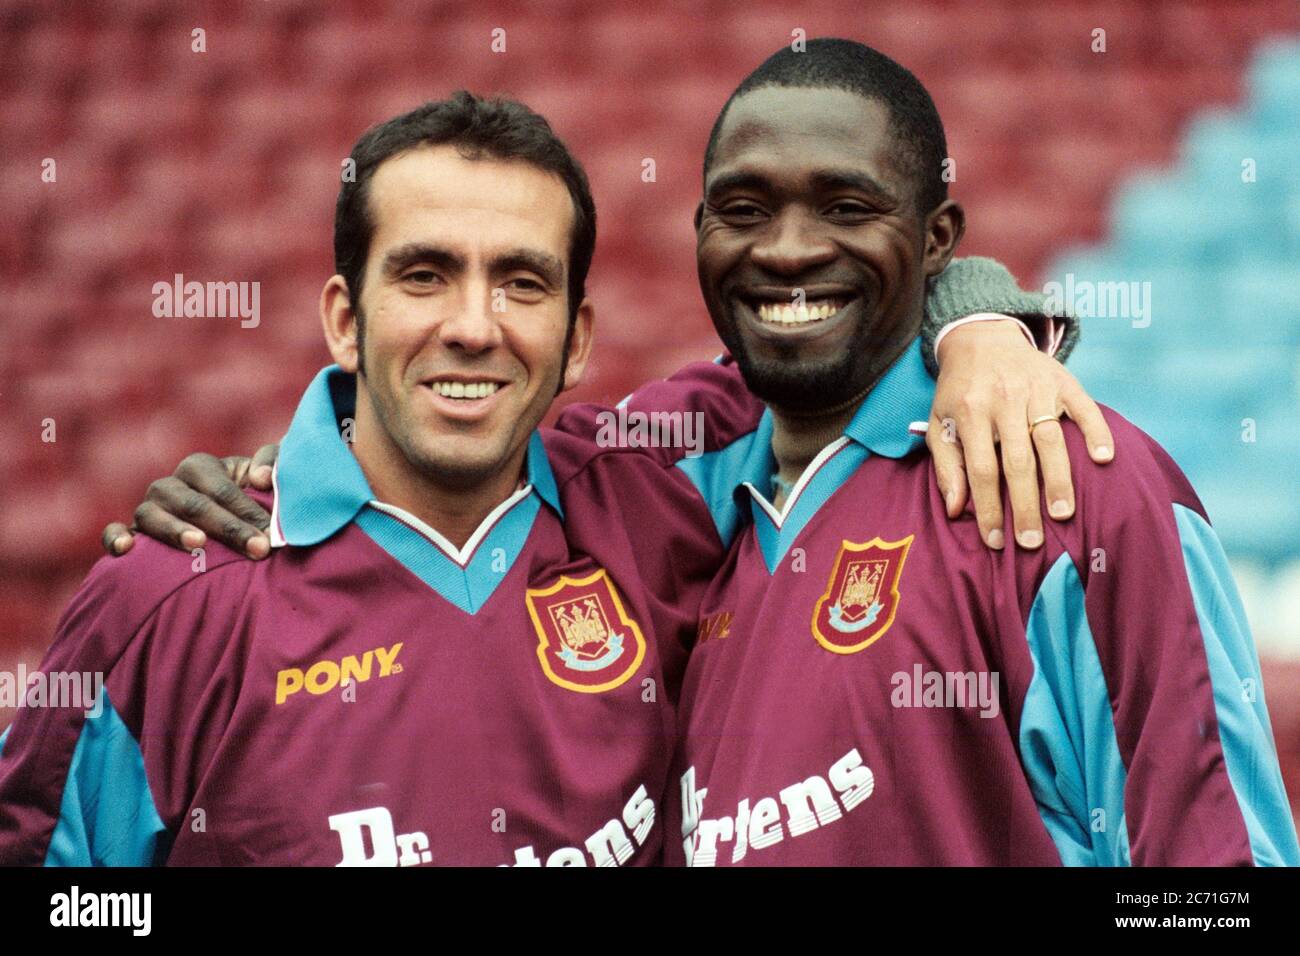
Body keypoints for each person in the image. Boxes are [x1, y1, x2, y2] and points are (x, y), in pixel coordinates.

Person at [0, 89, 1086, 867]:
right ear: (344, 316)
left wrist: (980, 319)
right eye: (425, 274)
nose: (473, 327)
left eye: (521, 282)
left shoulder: (660, 484)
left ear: (575, 340)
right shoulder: (173, 588)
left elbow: (831, 328)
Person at [660, 39, 1298, 866]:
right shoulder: (663, 506)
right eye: (743, 209)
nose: (787, 250)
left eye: (848, 207)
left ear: (937, 242)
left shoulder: (1073, 490)